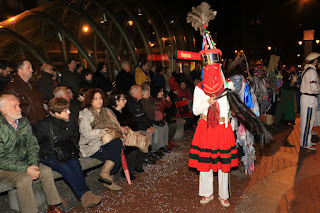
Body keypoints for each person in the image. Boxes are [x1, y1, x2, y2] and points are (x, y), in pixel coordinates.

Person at [188, 49, 238, 207]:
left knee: (224, 165)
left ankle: (224, 195)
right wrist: (207, 102)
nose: (212, 71)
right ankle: (206, 193)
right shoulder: (199, 88)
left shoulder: (228, 85)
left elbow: (233, 106)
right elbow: (195, 110)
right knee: (205, 163)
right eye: (208, 68)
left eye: (215, 68)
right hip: (206, 128)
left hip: (223, 127)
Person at [33, 97, 101, 209]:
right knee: (64, 167)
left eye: (68, 109)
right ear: (56, 113)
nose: (69, 112)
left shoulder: (68, 121)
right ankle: (85, 196)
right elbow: (34, 143)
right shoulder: (43, 126)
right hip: (48, 154)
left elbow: (74, 137)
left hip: (64, 152)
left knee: (75, 164)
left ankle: (86, 196)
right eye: (65, 110)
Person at [0, 94, 63, 213]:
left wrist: (33, 164)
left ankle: (52, 206)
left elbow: (32, 145)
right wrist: (25, 169)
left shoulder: (23, 122)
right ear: (3, 110)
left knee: (45, 171)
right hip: (4, 168)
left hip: (24, 161)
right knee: (24, 180)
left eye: (19, 105)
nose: (19, 109)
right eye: (15, 106)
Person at [79, 88, 123, 190]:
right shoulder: (84, 114)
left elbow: (115, 126)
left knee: (117, 144)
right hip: (91, 145)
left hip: (107, 141)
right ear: (90, 100)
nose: (99, 101)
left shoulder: (106, 111)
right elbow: (87, 134)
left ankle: (106, 177)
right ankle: (107, 178)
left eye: (100, 98)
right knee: (116, 155)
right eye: (95, 98)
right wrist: (103, 131)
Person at [110, 90, 144, 180]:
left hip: (129, 134)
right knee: (131, 151)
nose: (125, 101)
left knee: (143, 142)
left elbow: (134, 122)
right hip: (118, 138)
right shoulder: (111, 113)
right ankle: (127, 172)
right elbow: (112, 128)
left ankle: (137, 165)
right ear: (116, 101)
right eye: (123, 99)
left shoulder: (125, 110)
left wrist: (129, 128)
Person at [3, 59, 47, 124]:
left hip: (39, 122)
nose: (32, 70)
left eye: (31, 67)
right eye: (28, 68)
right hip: (27, 125)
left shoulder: (33, 85)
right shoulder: (12, 88)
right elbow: (11, 110)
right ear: (20, 70)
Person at [126, 85, 157, 164]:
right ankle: (146, 156)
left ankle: (152, 152)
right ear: (135, 93)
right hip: (135, 128)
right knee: (147, 134)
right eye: (140, 92)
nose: (142, 94)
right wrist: (146, 129)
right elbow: (136, 121)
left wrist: (150, 126)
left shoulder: (138, 102)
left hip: (141, 125)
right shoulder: (131, 104)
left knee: (154, 130)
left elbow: (144, 116)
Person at [300, 52, 320, 150]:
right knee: (307, 121)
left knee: (307, 121)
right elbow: (313, 87)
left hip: (307, 98)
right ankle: (305, 143)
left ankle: (306, 141)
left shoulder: (307, 70)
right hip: (309, 98)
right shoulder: (312, 71)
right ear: (315, 60)